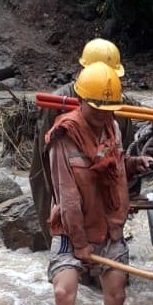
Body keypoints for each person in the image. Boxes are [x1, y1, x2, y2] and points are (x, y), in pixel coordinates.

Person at [44, 61, 152, 305]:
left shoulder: (112, 127)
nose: (104, 115)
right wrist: (80, 245)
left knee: (116, 294)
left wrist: (132, 164)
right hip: (71, 229)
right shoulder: (63, 137)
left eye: (108, 109)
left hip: (109, 226)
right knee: (63, 293)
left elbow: (112, 167)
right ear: (80, 101)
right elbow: (67, 198)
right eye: (97, 109)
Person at [29, 38, 133, 245]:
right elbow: (43, 159)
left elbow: (124, 149)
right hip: (65, 169)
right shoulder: (57, 103)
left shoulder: (118, 103)